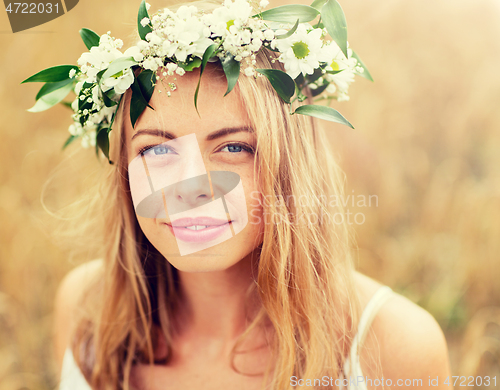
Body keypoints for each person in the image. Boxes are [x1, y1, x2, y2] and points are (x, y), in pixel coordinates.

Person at [29, 0, 451, 389]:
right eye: (157, 149)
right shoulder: (89, 309)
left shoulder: (393, 347)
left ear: (291, 166)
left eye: (234, 148)